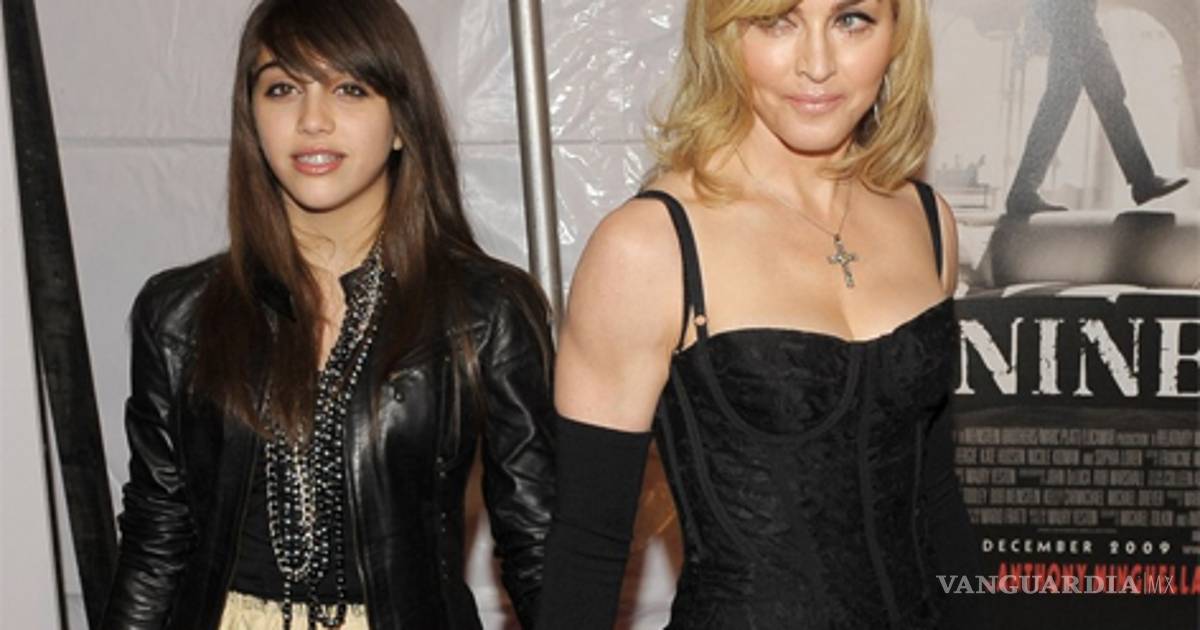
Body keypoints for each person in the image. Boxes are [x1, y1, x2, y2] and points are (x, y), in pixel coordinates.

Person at [101, 1, 555, 628]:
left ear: (401, 123)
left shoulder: (484, 311)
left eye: (350, 89)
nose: (312, 120)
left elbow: (538, 546)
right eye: (282, 88)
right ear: (252, 119)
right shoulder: (180, 314)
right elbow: (157, 534)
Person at [537, 0, 981, 628]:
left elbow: (938, 503)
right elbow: (587, 547)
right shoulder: (649, 245)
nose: (818, 64)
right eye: (777, 21)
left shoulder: (927, 220)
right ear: (721, 33)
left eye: (851, 19)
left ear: (897, 34)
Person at [1006, 0, 1188, 214]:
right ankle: (1142, 179)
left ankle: (1023, 190)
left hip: (1070, 14)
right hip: (1074, 14)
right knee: (1106, 92)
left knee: (1060, 100)